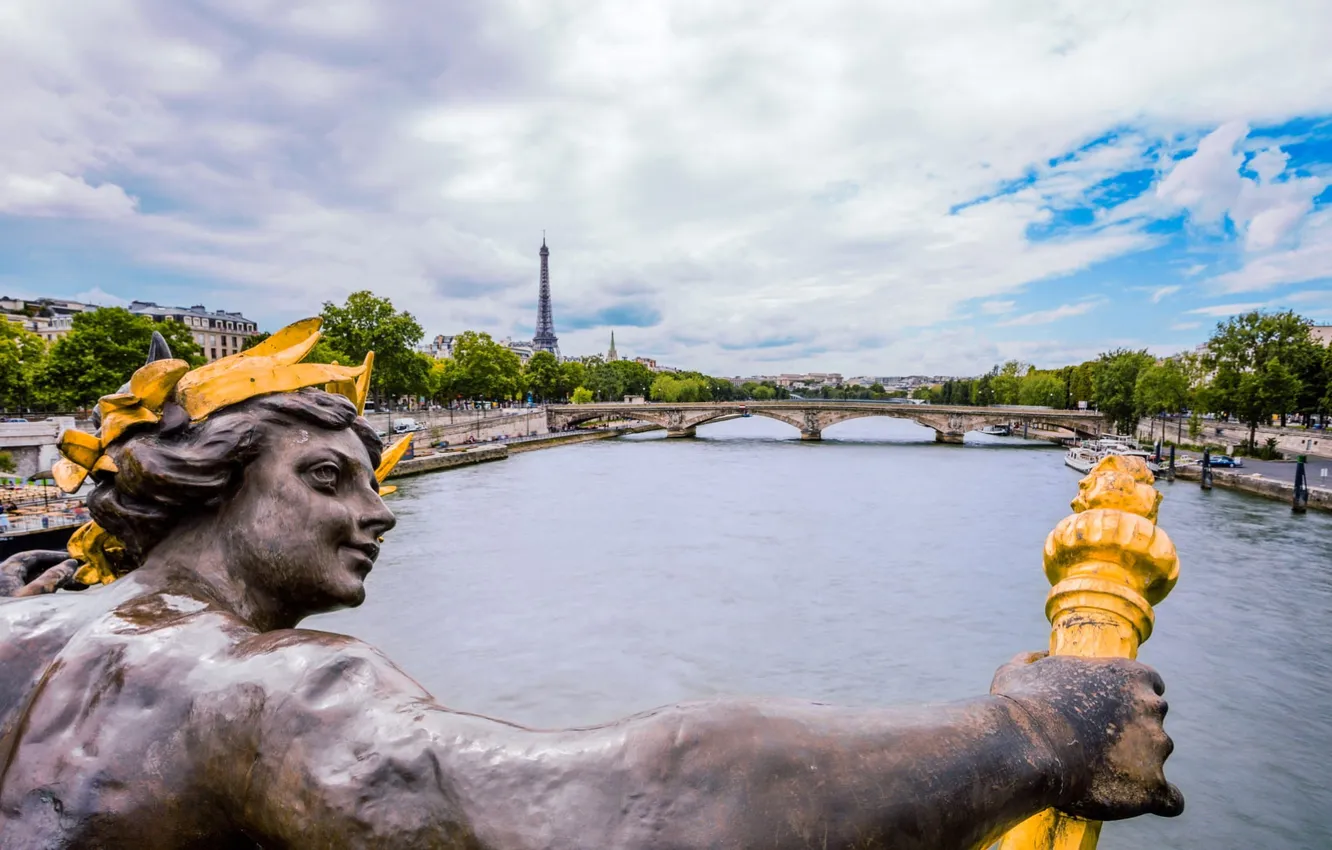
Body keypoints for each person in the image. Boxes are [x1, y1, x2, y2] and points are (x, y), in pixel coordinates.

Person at [0, 322, 1181, 849]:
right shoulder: (248, 696)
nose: (379, 508)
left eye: (377, 479)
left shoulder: (26, 617)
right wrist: (1041, 732)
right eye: (326, 475)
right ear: (201, 484)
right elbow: (638, 801)